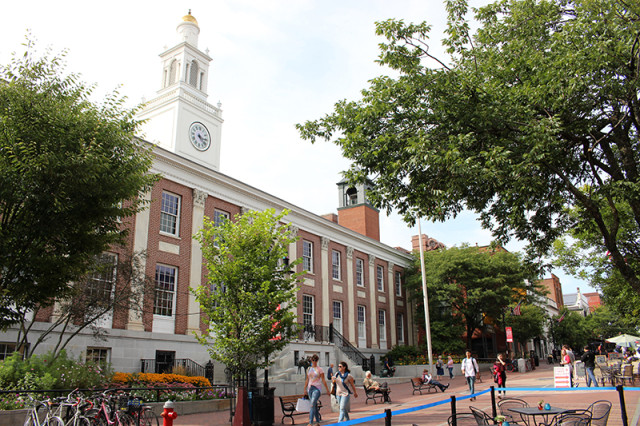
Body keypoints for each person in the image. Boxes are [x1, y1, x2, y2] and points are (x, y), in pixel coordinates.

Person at [303, 354, 330, 426]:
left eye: (315, 360)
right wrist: (305, 389)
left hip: (317, 388)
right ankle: (318, 421)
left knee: (312, 404)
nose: (314, 361)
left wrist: (327, 389)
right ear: (311, 360)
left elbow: (323, 380)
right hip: (310, 388)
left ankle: (310, 422)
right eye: (313, 360)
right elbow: (307, 379)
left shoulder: (320, 369)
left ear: (317, 361)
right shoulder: (308, 369)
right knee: (314, 405)